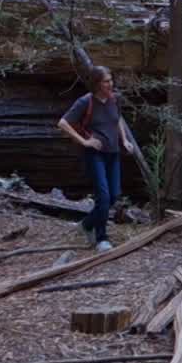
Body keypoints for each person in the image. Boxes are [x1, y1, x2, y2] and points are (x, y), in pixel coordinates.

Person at [57, 66, 134, 251]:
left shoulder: (114, 99)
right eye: (106, 81)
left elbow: (118, 120)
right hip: (95, 155)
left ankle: (86, 224)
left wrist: (124, 140)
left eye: (111, 80)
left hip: (113, 153)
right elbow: (63, 123)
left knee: (114, 195)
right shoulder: (86, 101)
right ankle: (102, 239)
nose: (110, 84)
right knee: (103, 197)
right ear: (97, 84)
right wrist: (84, 142)